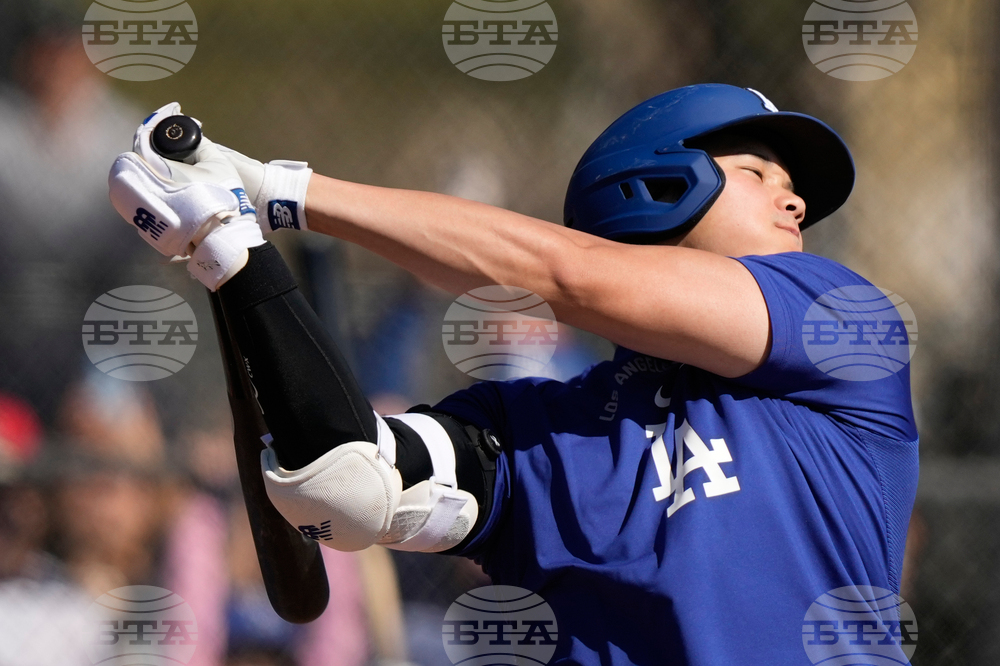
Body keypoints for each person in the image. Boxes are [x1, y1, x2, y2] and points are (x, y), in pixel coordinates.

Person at [107, 84, 919, 665]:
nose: (796, 204)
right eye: (759, 174)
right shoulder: (547, 426)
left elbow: (573, 278)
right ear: (659, 186)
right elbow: (346, 482)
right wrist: (232, 254)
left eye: (794, 188)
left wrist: (281, 192)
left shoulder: (843, 323)